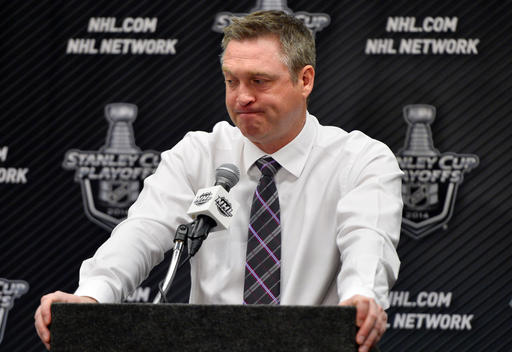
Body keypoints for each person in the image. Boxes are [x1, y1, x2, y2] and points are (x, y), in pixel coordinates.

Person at [35, 10, 403, 352]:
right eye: (232, 81)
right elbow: (141, 232)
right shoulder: (199, 153)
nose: (242, 97)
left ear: (304, 80)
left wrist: (361, 296)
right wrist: (91, 297)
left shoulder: (361, 159)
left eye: (260, 81)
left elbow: (368, 240)